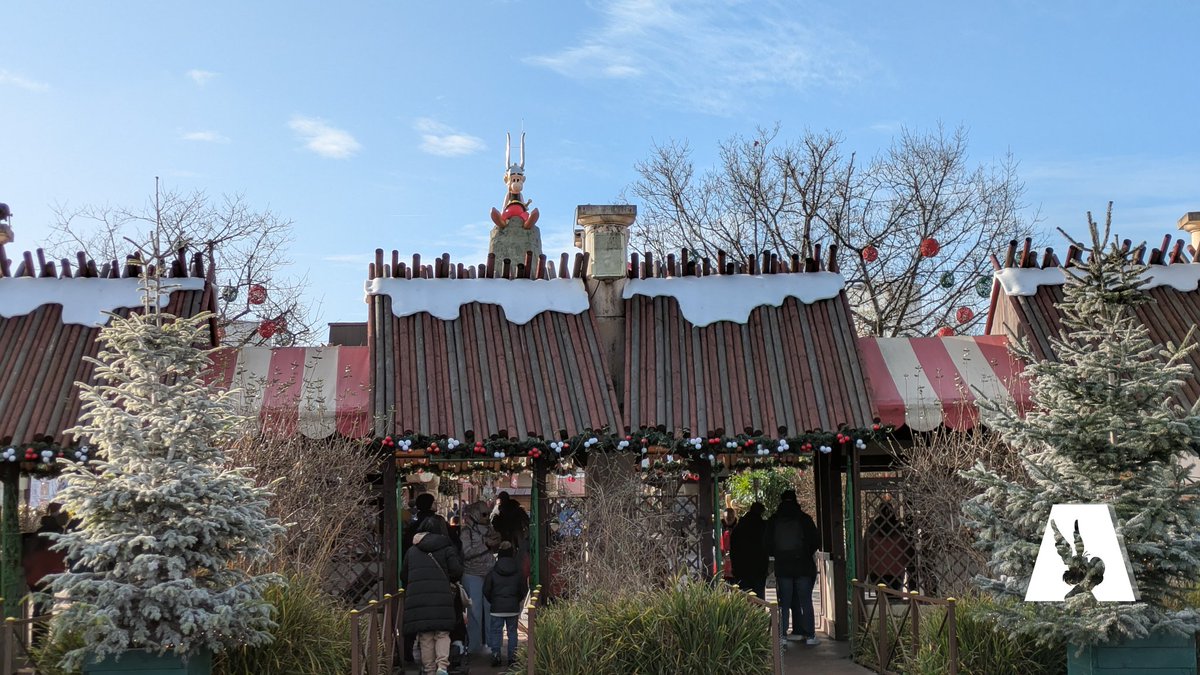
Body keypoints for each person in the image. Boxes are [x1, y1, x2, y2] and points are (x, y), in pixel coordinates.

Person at [401, 517, 464, 675]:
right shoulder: (447, 548)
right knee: (442, 633)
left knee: (425, 636)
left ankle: (429, 670)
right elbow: (457, 572)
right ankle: (442, 667)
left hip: (418, 600)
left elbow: (404, 575)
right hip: (442, 597)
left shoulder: (412, 551)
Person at [766, 489, 821, 645]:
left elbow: (767, 543)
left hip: (783, 567)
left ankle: (782, 636)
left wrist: (778, 554)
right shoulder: (804, 519)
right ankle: (810, 636)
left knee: (783, 602)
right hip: (803, 566)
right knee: (805, 601)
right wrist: (804, 553)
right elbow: (816, 541)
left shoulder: (774, 520)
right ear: (796, 500)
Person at [459, 501, 498, 656]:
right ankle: (474, 645)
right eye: (483, 514)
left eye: (487, 514)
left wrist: (496, 542)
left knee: (491, 609)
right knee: (474, 611)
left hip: (489, 572)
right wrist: (485, 545)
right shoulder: (466, 532)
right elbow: (466, 552)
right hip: (472, 574)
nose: (487, 517)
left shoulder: (489, 528)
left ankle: (492, 644)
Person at [483, 541, 528, 668]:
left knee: (496, 631)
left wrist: (493, 600)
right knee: (512, 632)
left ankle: (496, 655)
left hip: (497, 607)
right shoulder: (518, 571)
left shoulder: (493, 571)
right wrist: (516, 600)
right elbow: (523, 589)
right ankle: (512, 658)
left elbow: (486, 590)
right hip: (513, 607)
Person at [866, 502, 913, 591]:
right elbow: (906, 547)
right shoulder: (899, 528)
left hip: (877, 569)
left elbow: (867, 548)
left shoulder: (872, 528)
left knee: (881, 597)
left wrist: (866, 570)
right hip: (897, 569)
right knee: (895, 595)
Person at [730, 502, 769, 599]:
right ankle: (760, 613)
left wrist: (734, 567)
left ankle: (746, 614)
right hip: (759, 568)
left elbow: (733, 547)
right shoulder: (762, 527)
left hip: (741, 568)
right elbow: (767, 545)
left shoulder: (739, 527)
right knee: (759, 598)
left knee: (744, 598)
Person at [720, 507, 738, 582]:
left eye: (731, 517)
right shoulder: (719, 528)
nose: (730, 519)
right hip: (722, 565)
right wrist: (722, 555)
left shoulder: (739, 529)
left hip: (736, 566)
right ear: (724, 518)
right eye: (728, 517)